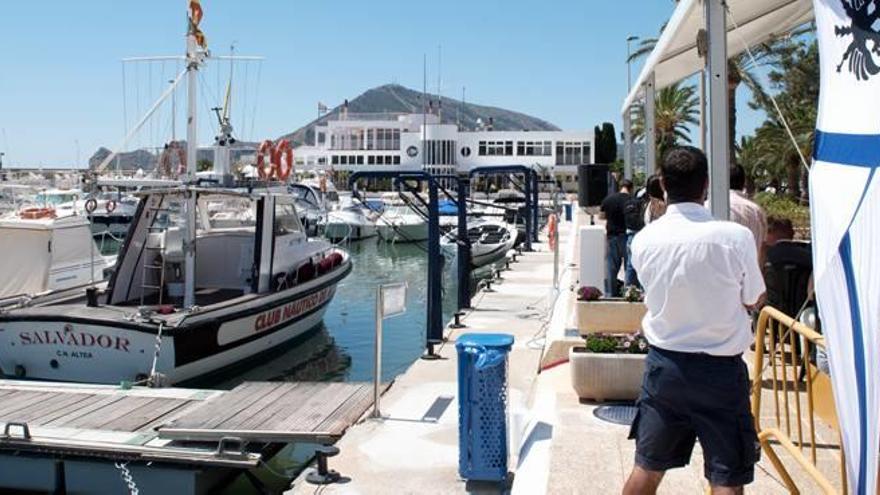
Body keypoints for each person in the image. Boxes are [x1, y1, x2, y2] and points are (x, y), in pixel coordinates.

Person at [625, 147, 766, 495]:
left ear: (663, 184)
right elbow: (754, 297)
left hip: (665, 368)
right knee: (726, 477)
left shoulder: (644, 240)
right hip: (720, 370)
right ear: (705, 185)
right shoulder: (736, 237)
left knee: (647, 467)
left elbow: (650, 289)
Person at [600, 179, 633, 296]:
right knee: (629, 268)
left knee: (611, 268)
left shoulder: (608, 199)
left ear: (620, 187)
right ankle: (629, 294)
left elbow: (601, 216)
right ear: (631, 188)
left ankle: (610, 294)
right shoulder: (631, 200)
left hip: (611, 237)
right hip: (626, 237)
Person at [729, 164, 767, 255]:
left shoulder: (707, 206)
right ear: (743, 183)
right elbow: (763, 247)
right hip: (749, 268)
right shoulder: (757, 211)